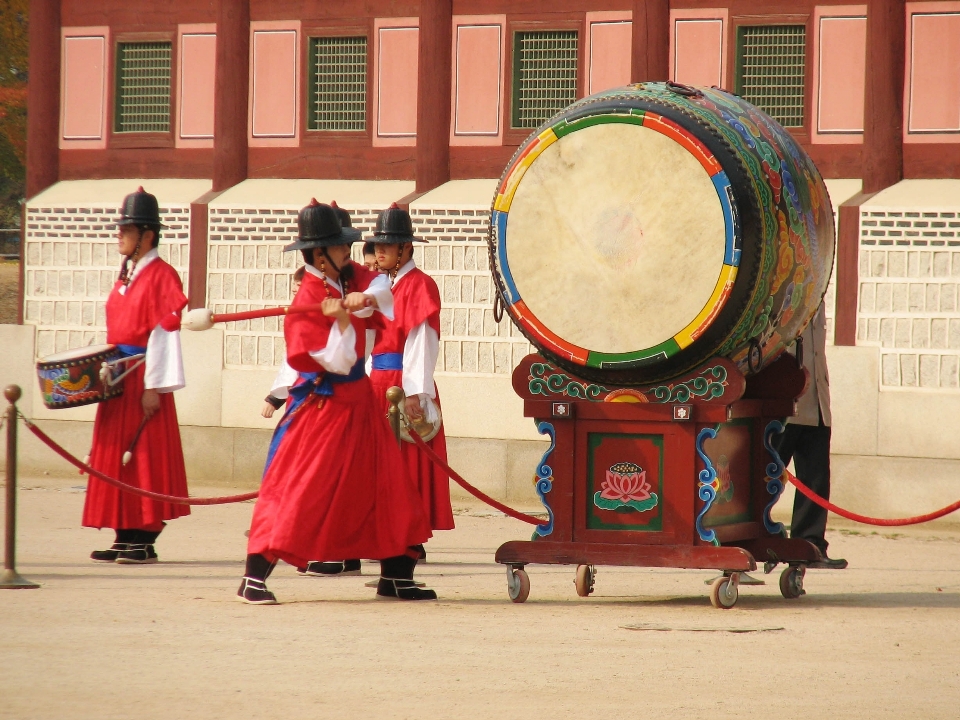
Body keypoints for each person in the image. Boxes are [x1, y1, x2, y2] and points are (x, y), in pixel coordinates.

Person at [238, 199, 436, 603]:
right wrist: (343, 319)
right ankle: (255, 575)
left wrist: (363, 301)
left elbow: (381, 286)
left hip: (360, 403)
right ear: (319, 255)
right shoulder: (307, 298)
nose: (351, 252)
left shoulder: (347, 276)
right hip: (323, 408)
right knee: (301, 489)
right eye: (340, 246)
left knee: (388, 486)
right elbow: (335, 360)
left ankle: (397, 574)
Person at [85, 187, 189, 564]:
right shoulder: (126, 275)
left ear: (147, 234)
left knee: (143, 454)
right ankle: (123, 533)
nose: (120, 235)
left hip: (143, 375)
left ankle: (145, 536)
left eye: (127, 229)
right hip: (118, 376)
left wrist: (154, 387)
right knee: (116, 455)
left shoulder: (162, 275)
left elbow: (164, 334)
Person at [369, 203, 455, 553]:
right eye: (378, 244)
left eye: (388, 244)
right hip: (378, 381)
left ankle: (410, 538)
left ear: (406, 247)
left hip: (402, 385)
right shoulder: (382, 285)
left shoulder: (419, 285)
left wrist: (416, 393)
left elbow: (422, 342)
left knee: (406, 463)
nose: (380, 250)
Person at [775, 302, 847, 569]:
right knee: (762, 478)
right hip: (783, 404)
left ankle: (810, 544)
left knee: (816, 479)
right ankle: (744, 542)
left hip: (816, 404)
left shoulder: (818, 295)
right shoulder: (786, 289)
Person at [261, 266, 305, 419]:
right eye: (294, 283)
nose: (294, 289)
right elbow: (291, 358)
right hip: (300, 388)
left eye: (299, 285)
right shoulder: (295, 313)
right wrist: (276, 399)